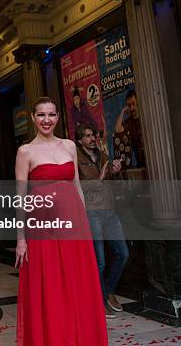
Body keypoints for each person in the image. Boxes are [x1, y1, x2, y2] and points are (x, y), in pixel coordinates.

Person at [15, 97, 107, 345]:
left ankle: (79, 336)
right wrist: (21, 238)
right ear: (33, 118)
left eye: (51, 115)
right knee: (50, 282)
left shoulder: (68, 146)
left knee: (77, 280)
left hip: (73, 221)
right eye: (41, 115)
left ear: (58, 117)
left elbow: (76, 184)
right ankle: (55, 336)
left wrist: (84, 221)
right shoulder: (25, 151)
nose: (47, 120)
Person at [76, 123, 129, 318]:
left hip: (109, 209)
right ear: (80, 140)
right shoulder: (76, 158)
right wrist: (99, 177)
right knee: (99, 260)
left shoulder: (102, 155)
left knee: (122, 253)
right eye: (88, 136)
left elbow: (111, 178)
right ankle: (100, 300)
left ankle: (107, 291)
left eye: (94, 136)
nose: (93, 139)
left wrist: (115, 170)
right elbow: (76, 186)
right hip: (91, 212)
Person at [114, 89, 145, 168]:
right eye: (129, 105)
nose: (132, 107)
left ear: (138, 102)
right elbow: (117, 129)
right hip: (140, 163)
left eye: (133, 104)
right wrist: (123, 111)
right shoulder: (129, 122)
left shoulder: (145, 117)